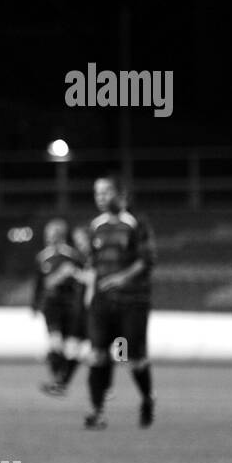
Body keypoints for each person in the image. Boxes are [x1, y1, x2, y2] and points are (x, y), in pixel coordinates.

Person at [83, 178, 158, 429]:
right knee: (97, 356)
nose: (101, 197)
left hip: (132, 303)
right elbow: (93, 264)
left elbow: (147, 260)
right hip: (103, 304)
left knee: (133, 359)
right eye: (97, 192)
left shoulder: (136, 222)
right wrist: (89, 294)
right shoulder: (96, 226)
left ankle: (147, 399)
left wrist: (120, 278)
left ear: (120, 194)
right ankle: (97, 412)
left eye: (106, 192)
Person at [31, 218, 85, 397]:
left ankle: (61, 381)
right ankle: (58, 380)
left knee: (71, 347)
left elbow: (83, 277)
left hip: (69, 305)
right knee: (55, 343)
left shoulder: (73, 256)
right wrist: (35, 305)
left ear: (60, 235)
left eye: (52, 234)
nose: (48, 237)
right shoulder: (42, 257)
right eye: (47, 234)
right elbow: (39, 284)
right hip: (51, 306)